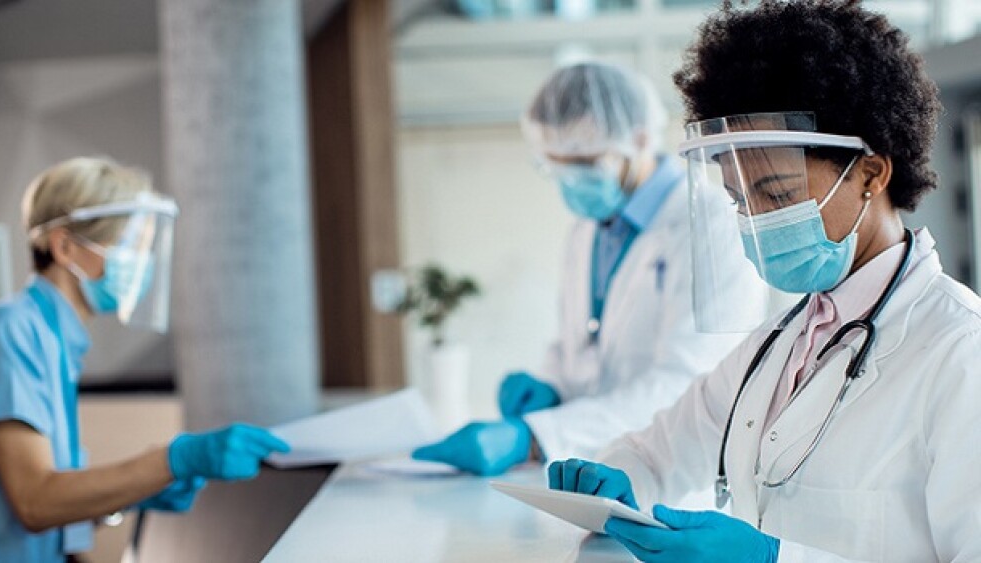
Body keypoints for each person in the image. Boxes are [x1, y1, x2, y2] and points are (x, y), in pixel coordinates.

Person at [548, 2, 981, 562]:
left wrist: (775, 560)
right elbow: (659, 452)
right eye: (737, 198)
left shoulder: (960, 354)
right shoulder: (779, 345)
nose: (753, 220)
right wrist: (615, 476)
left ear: (871, 173)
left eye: (776, 194)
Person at [413, 62, 765, 476]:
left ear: (638, 139)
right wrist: (552, 388)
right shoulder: (587, 230)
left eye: (584, 164)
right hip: (590, 469)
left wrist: (534, 436)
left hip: (675, 481)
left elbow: (690, 385)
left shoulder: (712, 222)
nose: (571, 182)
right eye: (557, 166)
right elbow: (576, 350)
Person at [0, 157, 291, 562]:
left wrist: (131, 493)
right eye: (128, 245)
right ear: (64, 246)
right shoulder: (10, 329)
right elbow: (36, 502)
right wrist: (169, 461)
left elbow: (51, 509)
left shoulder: (57, 341)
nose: (141, 262)